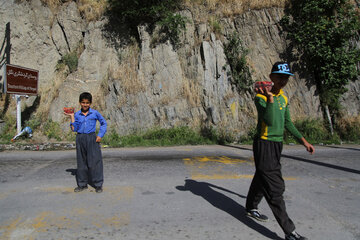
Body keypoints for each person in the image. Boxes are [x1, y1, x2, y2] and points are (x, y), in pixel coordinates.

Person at [245, 62, 315, 240]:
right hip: (264, 143)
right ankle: (290, 232)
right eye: (279, 77)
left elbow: (287, 122)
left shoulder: (283, 97)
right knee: (275, 188)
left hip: (277, 144)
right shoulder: (260, 97)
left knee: (262, 175)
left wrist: (304, 141)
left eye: (286, 77)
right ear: (271, 77)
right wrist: (269, 99)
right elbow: (268, 120)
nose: (283, 80)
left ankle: (251, 207)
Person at [64, 92, 107, 193]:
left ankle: (98, 184)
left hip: (92, 138)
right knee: (81, 162)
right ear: (80, 103)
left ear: (90, 103)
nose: (85, 104)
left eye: (87, 103)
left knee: (95, 162)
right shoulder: (77, 114)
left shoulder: (95, 113)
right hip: (80, 138)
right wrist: (71, 117)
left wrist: (100, 135)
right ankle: (82, 184)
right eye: (83, 102)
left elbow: (103, 123)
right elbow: (74, 129)